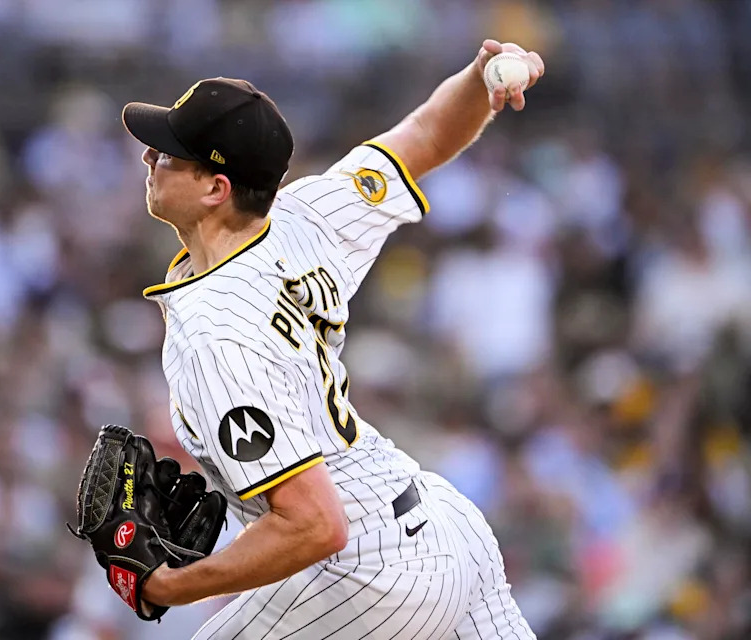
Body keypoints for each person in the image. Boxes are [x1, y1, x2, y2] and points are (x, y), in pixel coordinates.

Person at [120, 39, 544, 639]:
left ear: (217, 188)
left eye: (168, 154)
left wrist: (167, 586)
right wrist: (479, 81)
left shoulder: (217, 332)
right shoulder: (307, 215)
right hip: (442, 526)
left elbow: (314, 526)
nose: (148, 158)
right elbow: (423, 136)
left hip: (368, 574)